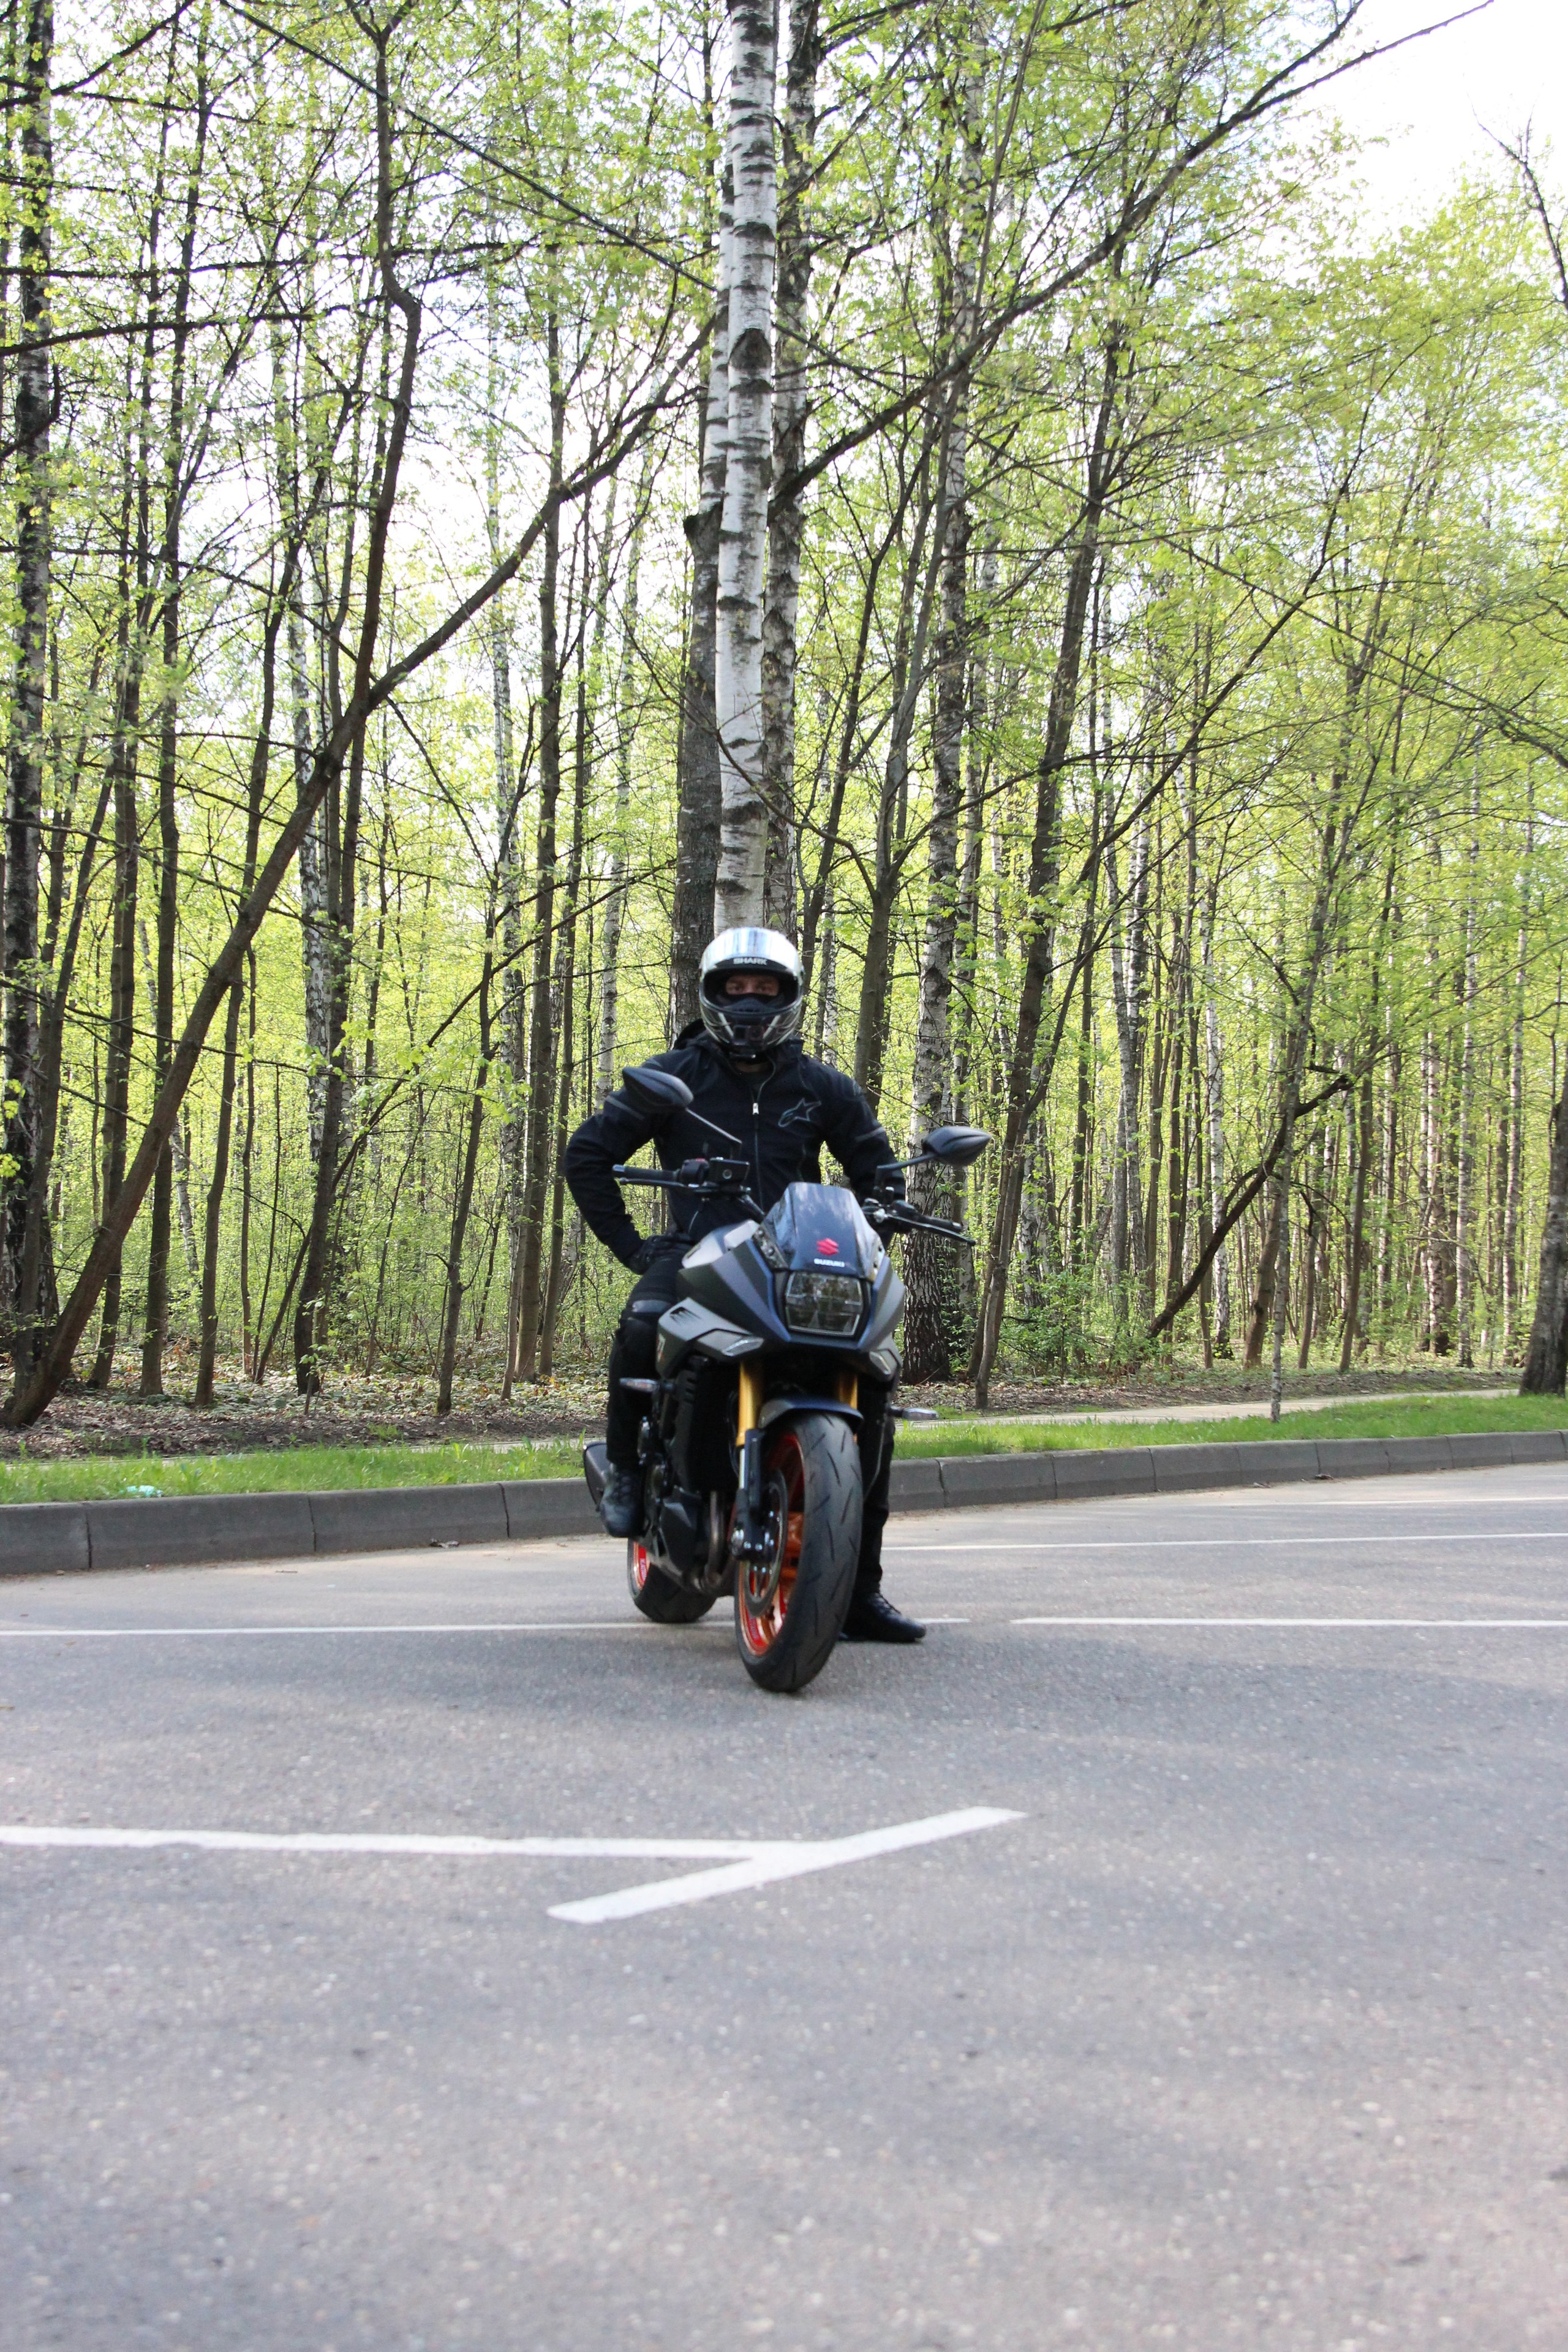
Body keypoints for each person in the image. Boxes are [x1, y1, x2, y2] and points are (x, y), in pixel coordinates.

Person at [564, 925, 925, 1643]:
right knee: (643, 1323)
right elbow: (588, 1155)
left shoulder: (822, 1085)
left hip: (793, 1260)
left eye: (767, 990)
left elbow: (876, 1171)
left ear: (788, 997)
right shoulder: (675, 1076)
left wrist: (871, 1232)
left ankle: (858, 1592)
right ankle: (631, 1473)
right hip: (697, 1251)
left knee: (876, 1386)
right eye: (739, 988)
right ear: (714, 992)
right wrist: (635, 1248)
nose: (752, 1002)